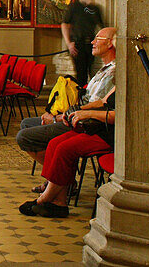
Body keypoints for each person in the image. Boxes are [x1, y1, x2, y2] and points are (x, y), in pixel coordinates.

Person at [16, 27, 116, 192]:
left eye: (98, 38)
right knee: (27, 124)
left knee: (25, 137)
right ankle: (57, 181)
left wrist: (60, 117)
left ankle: (62, 182)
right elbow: (89, 100)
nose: (92, 42)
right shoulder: (104, 68)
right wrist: (62, 113)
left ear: (110, 44)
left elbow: (101, 106)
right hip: (77, 115)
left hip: (87, 123)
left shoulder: (114, 72)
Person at [19, 88, 116, 217]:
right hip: (97, 126)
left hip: (112, 134)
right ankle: (60, 202)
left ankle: (44, 199)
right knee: (54, 144)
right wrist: (78, 110)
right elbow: (103, 102)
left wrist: (88, 114)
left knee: (65, 149)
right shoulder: (123, 79)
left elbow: (120, 116)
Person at [62, 0, 104, 86]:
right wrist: (69, 43)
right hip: (77, 44)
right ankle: (80, 100)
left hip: (91, 44)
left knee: (93, 73)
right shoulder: (74, 7)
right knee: (81, 75)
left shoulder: (95, 9)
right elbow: (64, 25)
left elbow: (101, 27)